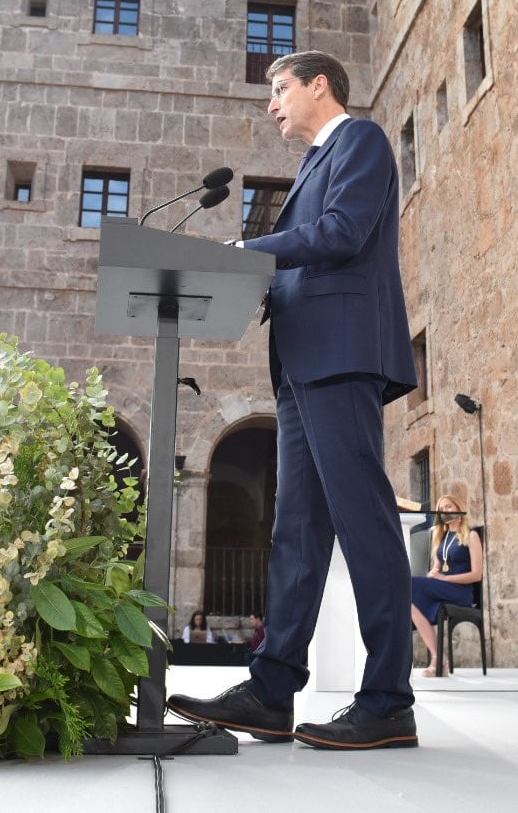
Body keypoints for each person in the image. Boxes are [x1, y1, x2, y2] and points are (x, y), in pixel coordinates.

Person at [167, 51, 419, 751]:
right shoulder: (310, 165)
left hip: (342, 355)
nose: (272, 104)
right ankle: (272, 690)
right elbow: (308, 259)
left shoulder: (359, 141)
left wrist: (248, 251)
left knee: (363, 523)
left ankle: (388, 699)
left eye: (280, 90)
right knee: (295, 532)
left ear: (319, 86)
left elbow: (341, 235)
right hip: (305, 363)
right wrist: (254, 287)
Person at [409, 495, 484, 677]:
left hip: (461, 591)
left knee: (408, 584)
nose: (445, 512)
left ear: (458, 507)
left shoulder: (471, 535)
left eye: (449, 507)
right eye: (441, 509)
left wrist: (445, 579)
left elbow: (477, 574)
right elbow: (436, 568)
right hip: (441, 590)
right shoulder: (440, 538)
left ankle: (436, 662)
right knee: (410, 604)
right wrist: (432, 576)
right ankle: (438, 660)